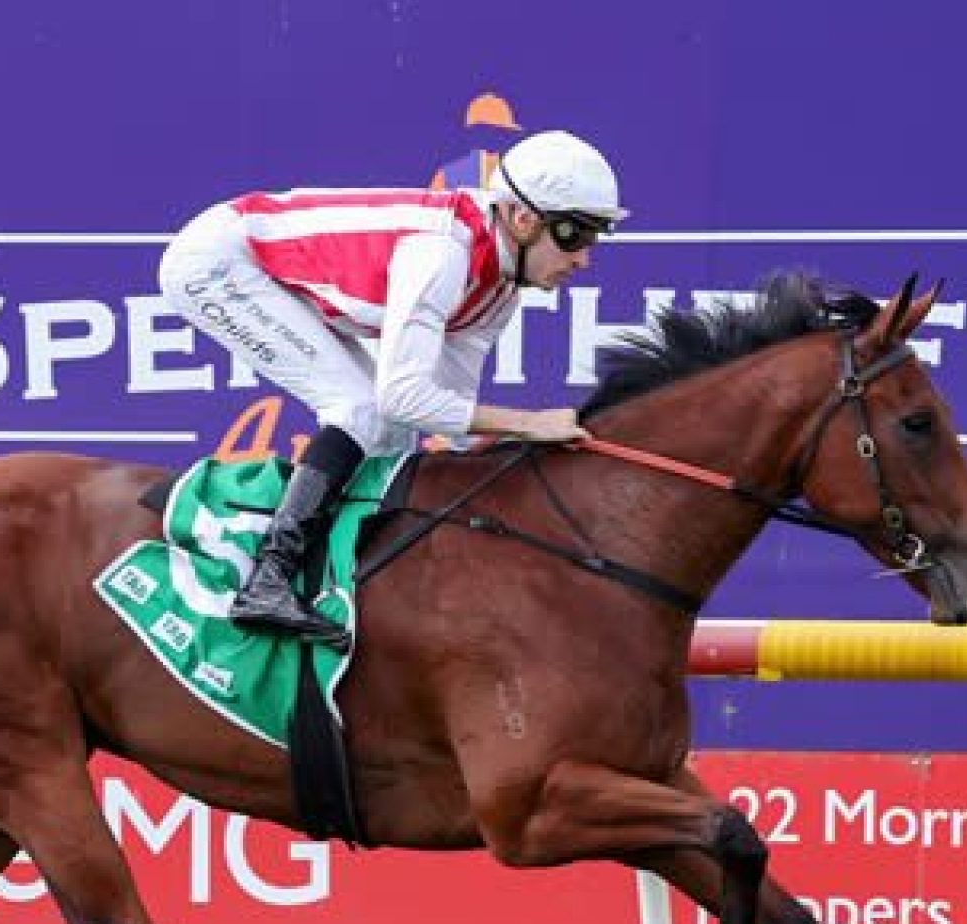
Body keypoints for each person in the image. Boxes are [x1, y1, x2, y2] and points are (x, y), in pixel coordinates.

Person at [159, 130, 626, 645]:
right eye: (574, 234)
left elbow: (444, 411)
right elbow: (400, 396)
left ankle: (337, 577)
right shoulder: (443, 257)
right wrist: (529, 423)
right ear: (521, 218)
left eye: (595, 238)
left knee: (393, 437)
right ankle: (269, 577)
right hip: (219, 263)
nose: (584, 258)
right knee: (360, 409)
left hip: (259, 259)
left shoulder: (501, 290)